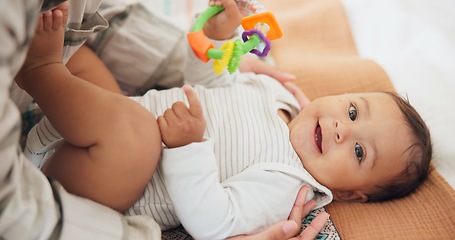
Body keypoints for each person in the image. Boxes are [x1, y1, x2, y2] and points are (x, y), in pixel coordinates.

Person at [16, 0, 433, 239]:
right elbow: (208, 84)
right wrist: (219, 40)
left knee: (136, 131)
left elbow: (213, 222)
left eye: (360, 151)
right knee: (91, 61)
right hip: (90, 125)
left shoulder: (284, 183)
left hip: (94, 184)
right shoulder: (279, 94)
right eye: (353, 111)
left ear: (347, 195)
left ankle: (41, 73)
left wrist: (188, 148)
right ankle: (51, 79)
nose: (344, 129)